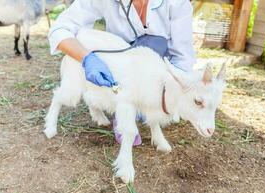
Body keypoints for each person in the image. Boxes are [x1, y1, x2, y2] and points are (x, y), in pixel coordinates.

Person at [48, 0, 196, 145]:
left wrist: (170, 95)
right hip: (122, 65)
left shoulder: (177, 3)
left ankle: (142, 106)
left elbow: (183, 58)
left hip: (158, 70)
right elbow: (59, 29)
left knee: (156, 42)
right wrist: (87, 58)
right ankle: (122, 109)